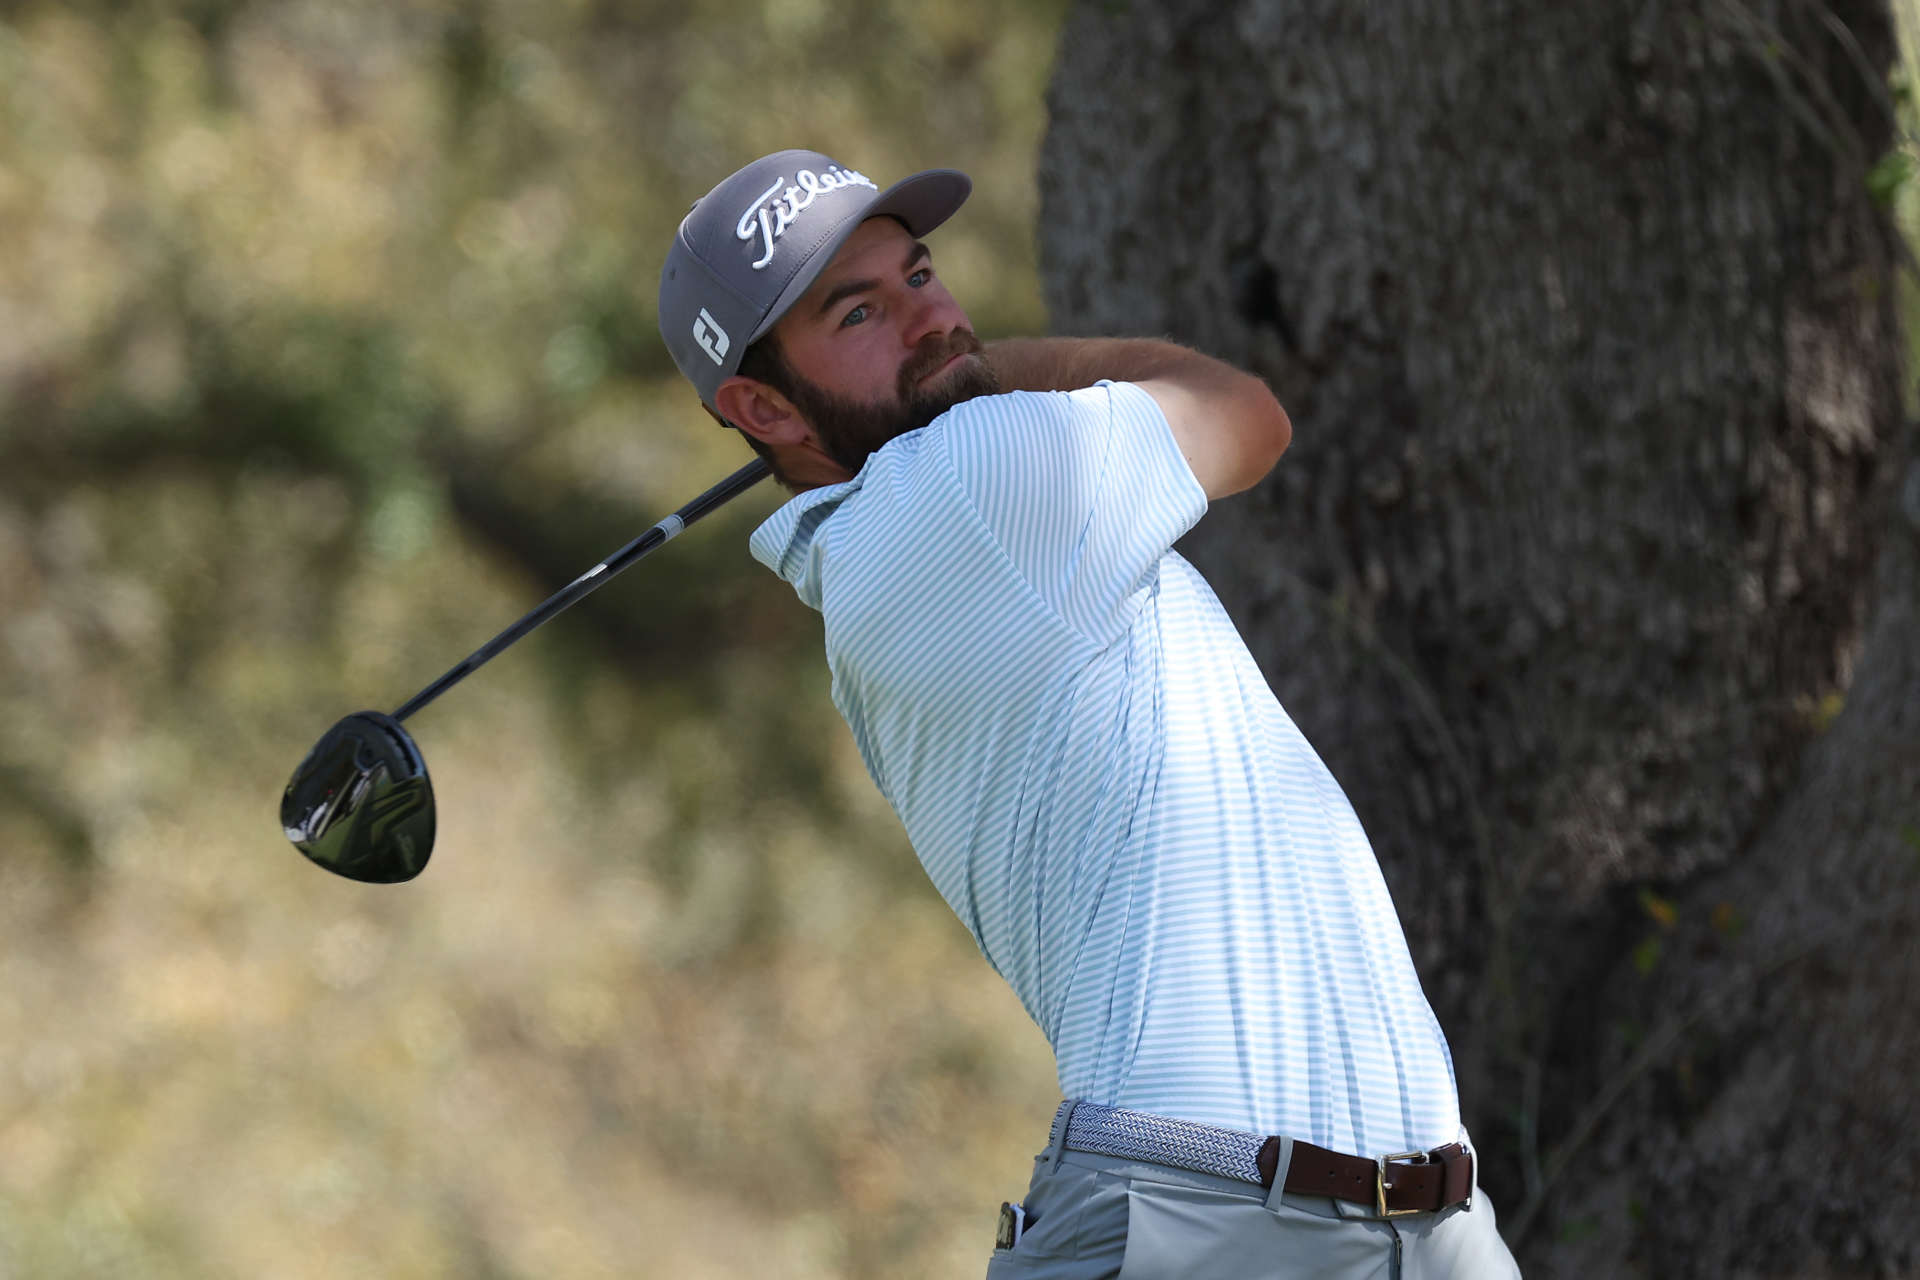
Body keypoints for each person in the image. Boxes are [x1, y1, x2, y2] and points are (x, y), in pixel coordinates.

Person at [658, 150, 1521, 1278]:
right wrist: (1002, 365)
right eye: (861, 310)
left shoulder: (914, 530)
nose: (930, 317)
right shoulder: (961, 486)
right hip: (1209, 1219)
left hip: (1406, 1221)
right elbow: (1244, 416)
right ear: (765, 404)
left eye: (921, 276)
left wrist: (951, 366)